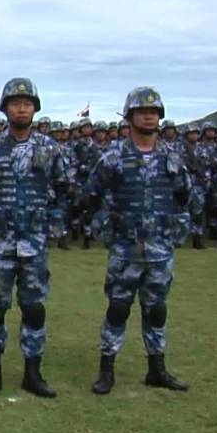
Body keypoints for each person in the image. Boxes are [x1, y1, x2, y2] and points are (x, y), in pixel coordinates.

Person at [0, 77, 68, 399]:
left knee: (34, 308)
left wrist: (53, 221)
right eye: (15, 103)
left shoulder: (49, 149)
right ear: (5, 108)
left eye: (27, 103)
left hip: (34, 241)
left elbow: (65, 188)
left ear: (35, 109)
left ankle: (32, 373)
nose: (21, 108)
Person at [87, 87, 190, 395]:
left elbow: (185, 196)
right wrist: (105, 221)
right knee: (118, 308)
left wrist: (177, 224)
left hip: (160, 249)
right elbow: (91, 195)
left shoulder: (171, 156)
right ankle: (107, 370)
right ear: (130, 117)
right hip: (125, 249)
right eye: (142, 112)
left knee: (156, 310)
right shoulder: (113, 157)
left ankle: (157, 369)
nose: (149, 116)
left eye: (155, 112)